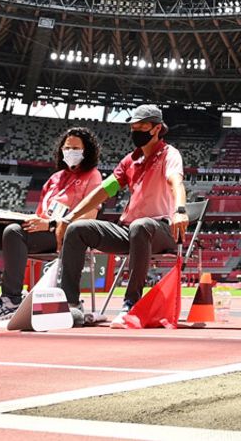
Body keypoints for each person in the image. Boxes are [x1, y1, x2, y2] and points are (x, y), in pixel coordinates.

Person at [0, 127, 104, 323]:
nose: (70, 152)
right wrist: (14, 215)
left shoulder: (93, 176)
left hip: (66, 236)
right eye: (67, 147)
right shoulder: (55, 179)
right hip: (42, 231)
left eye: (76, 148)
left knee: (14, 232)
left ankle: (11, 300)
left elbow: (89, 217)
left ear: (87, 151)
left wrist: (51, 224)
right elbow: (40, 214)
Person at [54, 105, 189, 325]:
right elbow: (102, 192)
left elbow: (176, 182)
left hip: (162, 230)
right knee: (77, 229)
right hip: (129, 231)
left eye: (141, 125)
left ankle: (131, 304)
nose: (135, 129)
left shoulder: (169, 154)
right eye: (133, 125)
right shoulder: (129, 160)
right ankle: (70, 303)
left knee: (140, 226)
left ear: (156, 128)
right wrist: (69, 217)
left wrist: (180, 210)